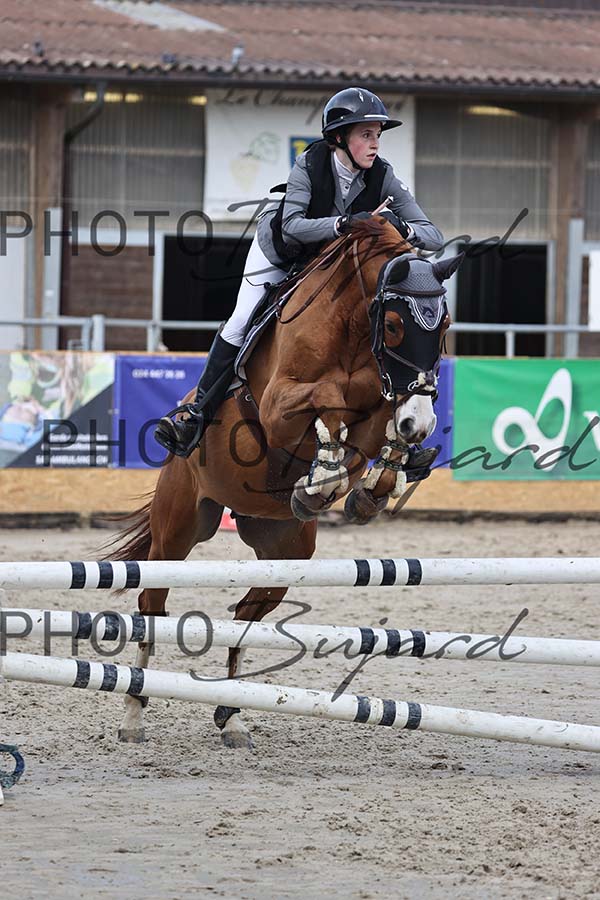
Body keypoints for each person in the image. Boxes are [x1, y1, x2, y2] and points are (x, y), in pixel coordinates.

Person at [155, 87, 444, 458]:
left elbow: (433, 236)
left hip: (329, 264)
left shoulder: (383, 174)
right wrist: (343, 224)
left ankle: (394, 432)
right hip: (281, 253)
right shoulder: (308, 165)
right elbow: (292, 226)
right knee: (241, 319)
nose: (375, 144)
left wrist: (402, 228)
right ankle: (196, 415)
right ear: (339, 138)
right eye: (366, 134)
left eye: (377, 135)